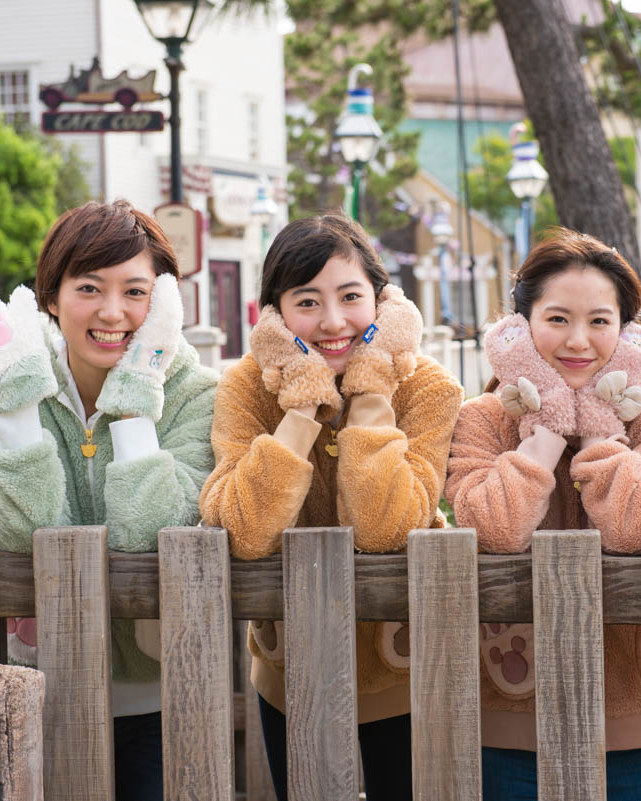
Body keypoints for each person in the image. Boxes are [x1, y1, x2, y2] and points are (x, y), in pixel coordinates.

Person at [0, 199, 218, 801]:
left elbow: (151, 531)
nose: (113, 312)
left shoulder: (197, 393)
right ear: (51, 298)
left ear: (164, 301)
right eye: (89, 287)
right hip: (30, 685)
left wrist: (136, 398)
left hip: (164, 692)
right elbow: (16, 529)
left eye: (136, 292)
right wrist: (17, 402)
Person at [198, 213, 462, 801]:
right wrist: (300, 408)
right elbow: (244, 530)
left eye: (350, 297)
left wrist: (370, 390)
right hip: (290, 668)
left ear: (383, 301)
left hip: (409, 666)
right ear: (274, 314)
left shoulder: (429, 388)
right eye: (307, 302)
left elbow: (384, 528)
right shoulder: (245, 387)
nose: (334, 322)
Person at [445, 228, 641, 801]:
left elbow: (637, 525)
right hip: (510, 716)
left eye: (599, 321)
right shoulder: (482, 419)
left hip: (639, 716)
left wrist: (596, 424)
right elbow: (493, 528)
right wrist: (544, 432)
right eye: (558, 319)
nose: (578, 340)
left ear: (629, 333)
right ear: (521, 328)